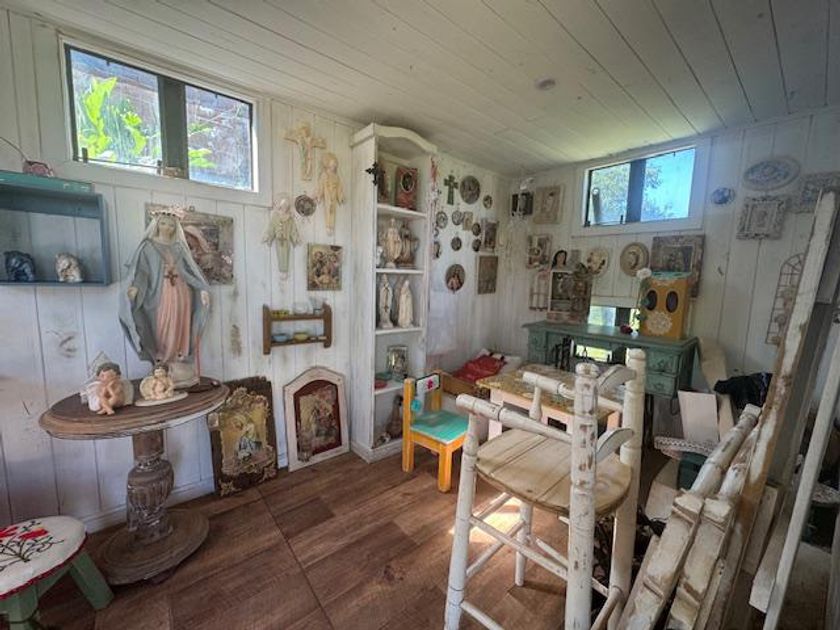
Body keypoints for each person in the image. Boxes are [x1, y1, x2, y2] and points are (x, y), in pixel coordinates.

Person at [120, 206, 211, 387]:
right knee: (161, 325)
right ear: (157, 224)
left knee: (179, 324)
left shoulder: (179, 247)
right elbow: (142, 272)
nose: (167, 228)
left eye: (171, 225)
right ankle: (162, 360)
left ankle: (177, 358)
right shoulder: (148, 246)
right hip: (160, 294)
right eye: (163, 223)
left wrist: (202, 289)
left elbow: (190, 272)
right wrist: (136, 287)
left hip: (182, 292)